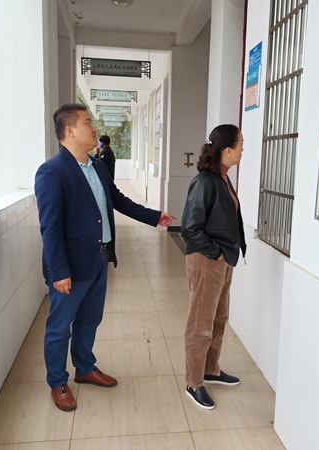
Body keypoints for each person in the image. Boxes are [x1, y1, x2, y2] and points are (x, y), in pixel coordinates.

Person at [35, 103, 176, 411]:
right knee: (60, 327)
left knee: (90, 319)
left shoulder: (97, 165)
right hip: (70, 266)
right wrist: (59, 271)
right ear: (70, 131)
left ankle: (85, 367)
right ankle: (58, 382)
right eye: (87, 122)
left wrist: (154, 216)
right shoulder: (52, 171)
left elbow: (117, 200)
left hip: (100, 258)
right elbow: (50, 227)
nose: (93, 127)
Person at [181, 124, 246, 410]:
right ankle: (194, 383)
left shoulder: (223, 178)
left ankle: (211, 369)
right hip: (207, 260)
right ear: (227, 151)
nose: (243, 151)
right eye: (241, 145)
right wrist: (216, 252)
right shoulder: (205, 181)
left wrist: (226, 254)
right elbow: (190, 228)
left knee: (219, 318)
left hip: (223, 258)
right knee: (201, 324)